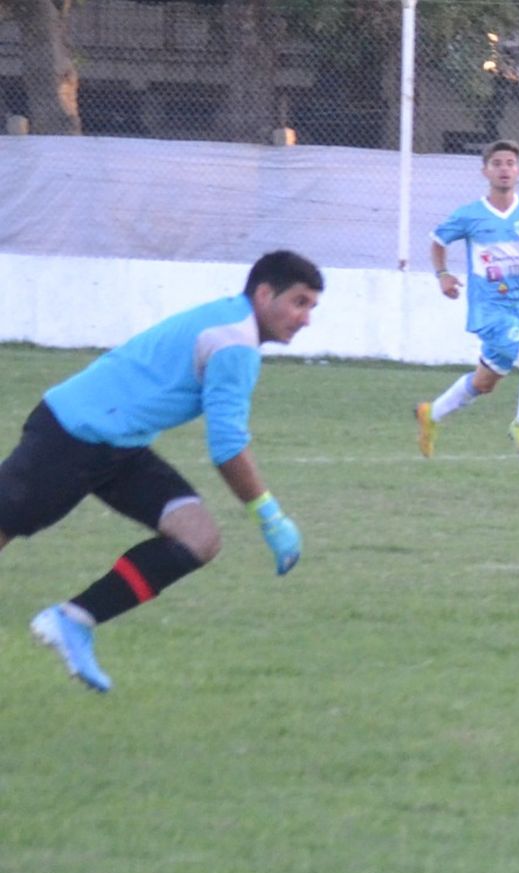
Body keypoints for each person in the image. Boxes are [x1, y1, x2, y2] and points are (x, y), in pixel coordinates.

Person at [1, 250, 322, 692]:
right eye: (299, 302)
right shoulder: (235, 343)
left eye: (312, 307)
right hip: (72, 434)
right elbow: (227, 447)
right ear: (265, 293)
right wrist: (269, 516)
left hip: (119, 447)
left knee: (199, 538)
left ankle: (72, 620)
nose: (305, 318)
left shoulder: (230, 325)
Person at [415, 138, 519, 462]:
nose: (504, 170)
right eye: (497, 163)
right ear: (485, 171)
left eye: (510, 163)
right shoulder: (470, 215)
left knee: (483, 383)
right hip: (489, 313)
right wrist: (442, 274)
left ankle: (431, 414)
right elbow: (438, 241)